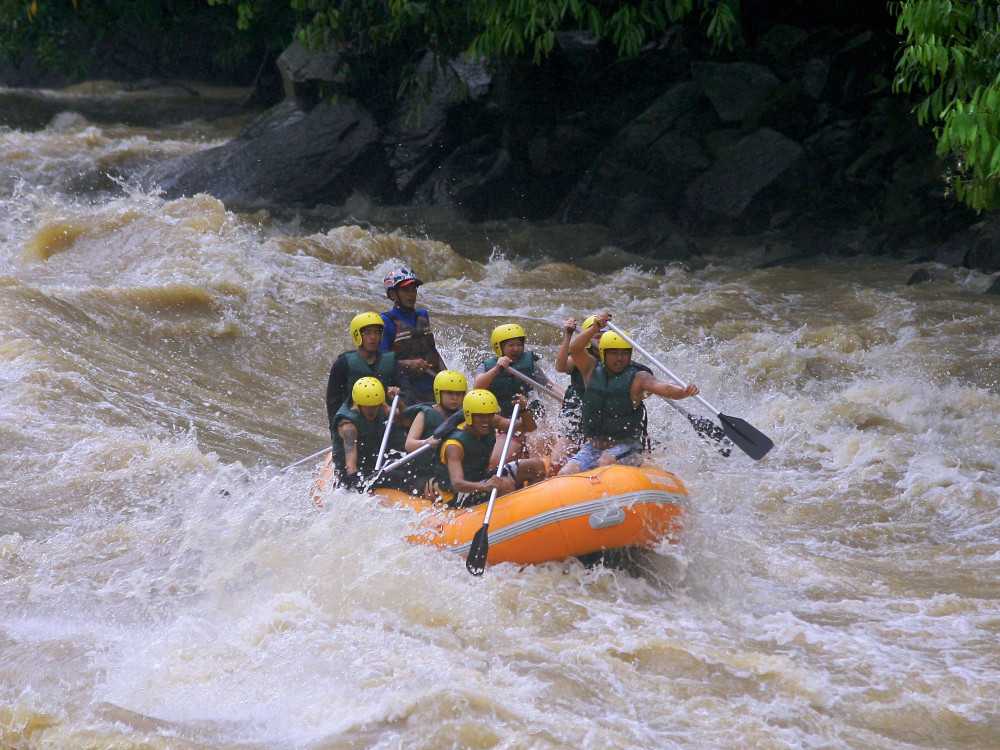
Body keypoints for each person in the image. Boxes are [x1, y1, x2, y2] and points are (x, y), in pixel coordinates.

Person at [558, 312, 700, 476]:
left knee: (603, 463)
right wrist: (595, 328)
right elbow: (575, 348)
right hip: (593, 446)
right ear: (603, 352)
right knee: (565, 473)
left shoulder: (638, 377)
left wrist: (684, 391)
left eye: (624, 353)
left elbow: (665, 388)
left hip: (626, 447)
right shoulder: (590, 369)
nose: (620, 358)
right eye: (614, 353)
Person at [429, 390, 545, 508]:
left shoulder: (491, 421)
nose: (486, 419)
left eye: (489, 414)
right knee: (505, 485)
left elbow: (529, 427)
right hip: (457, 495)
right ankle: (513, 517)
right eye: (481, 415)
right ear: (469, 416)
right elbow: (457, 483)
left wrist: (523, 410)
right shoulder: (454, 445)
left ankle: (533, 508)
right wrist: (486, 486)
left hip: (481, 478)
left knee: (536, 466)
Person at [472, 322, 563, 464]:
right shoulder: (486, 366)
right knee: (496, 461)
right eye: (511, 345)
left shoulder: (530, 365)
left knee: (536, 452)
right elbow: (477, 387)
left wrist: (565, 398)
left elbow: (549, 385)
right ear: (499, 347)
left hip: (534, 418)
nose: (516, 349)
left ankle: (537, 473)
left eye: (519, 345)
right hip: (507, 422)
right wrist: (497, 369)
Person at [326, 312, 409, 436]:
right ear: (357, 335)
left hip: (386, 425)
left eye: (376, 333)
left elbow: (407, 391)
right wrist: (336, 430)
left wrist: (398, 398)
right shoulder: (343, 364)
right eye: (367, 333)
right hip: (354, 424)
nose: (373, 337)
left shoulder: (391, 361)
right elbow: (333, 401)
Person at [331, 377, 411, 491]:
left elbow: (405, 421)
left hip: (372, 462)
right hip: (353, 475)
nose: (372, 410)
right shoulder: (348, 425)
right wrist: (357, 491)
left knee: (411, 466)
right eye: (368, 407)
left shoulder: (379, 404)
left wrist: (399, 403)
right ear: (358, 404)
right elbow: (351, 467)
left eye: (375, 406)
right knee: (401, 477)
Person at [380, 267, 446, 404]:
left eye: (414, 289)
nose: (412, 294)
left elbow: (432, 351)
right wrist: (407, 363)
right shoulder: (385, 321)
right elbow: (381, 363)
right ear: (393, 294)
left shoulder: (423, 315)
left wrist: (447, 378)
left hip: (432, 386)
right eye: (406, 290)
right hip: (406, 391)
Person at [550, 314, 604, 472]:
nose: (600, 341)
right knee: (555, 462)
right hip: (576, 417)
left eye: (603, 337)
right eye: (597, 337)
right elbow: (560, 366)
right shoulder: (581, 357)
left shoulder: (616, 360)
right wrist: (568, 335)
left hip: (601, 421)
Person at [400, 369, 468, 489]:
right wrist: (426, 442)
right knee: (442, 487)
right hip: (422, 476)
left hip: (451, 474)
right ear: (438, 393)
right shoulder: (425, 413)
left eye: (459, 394)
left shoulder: (465, 415)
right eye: (450, 393)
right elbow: (409, 444)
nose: (455, 398)